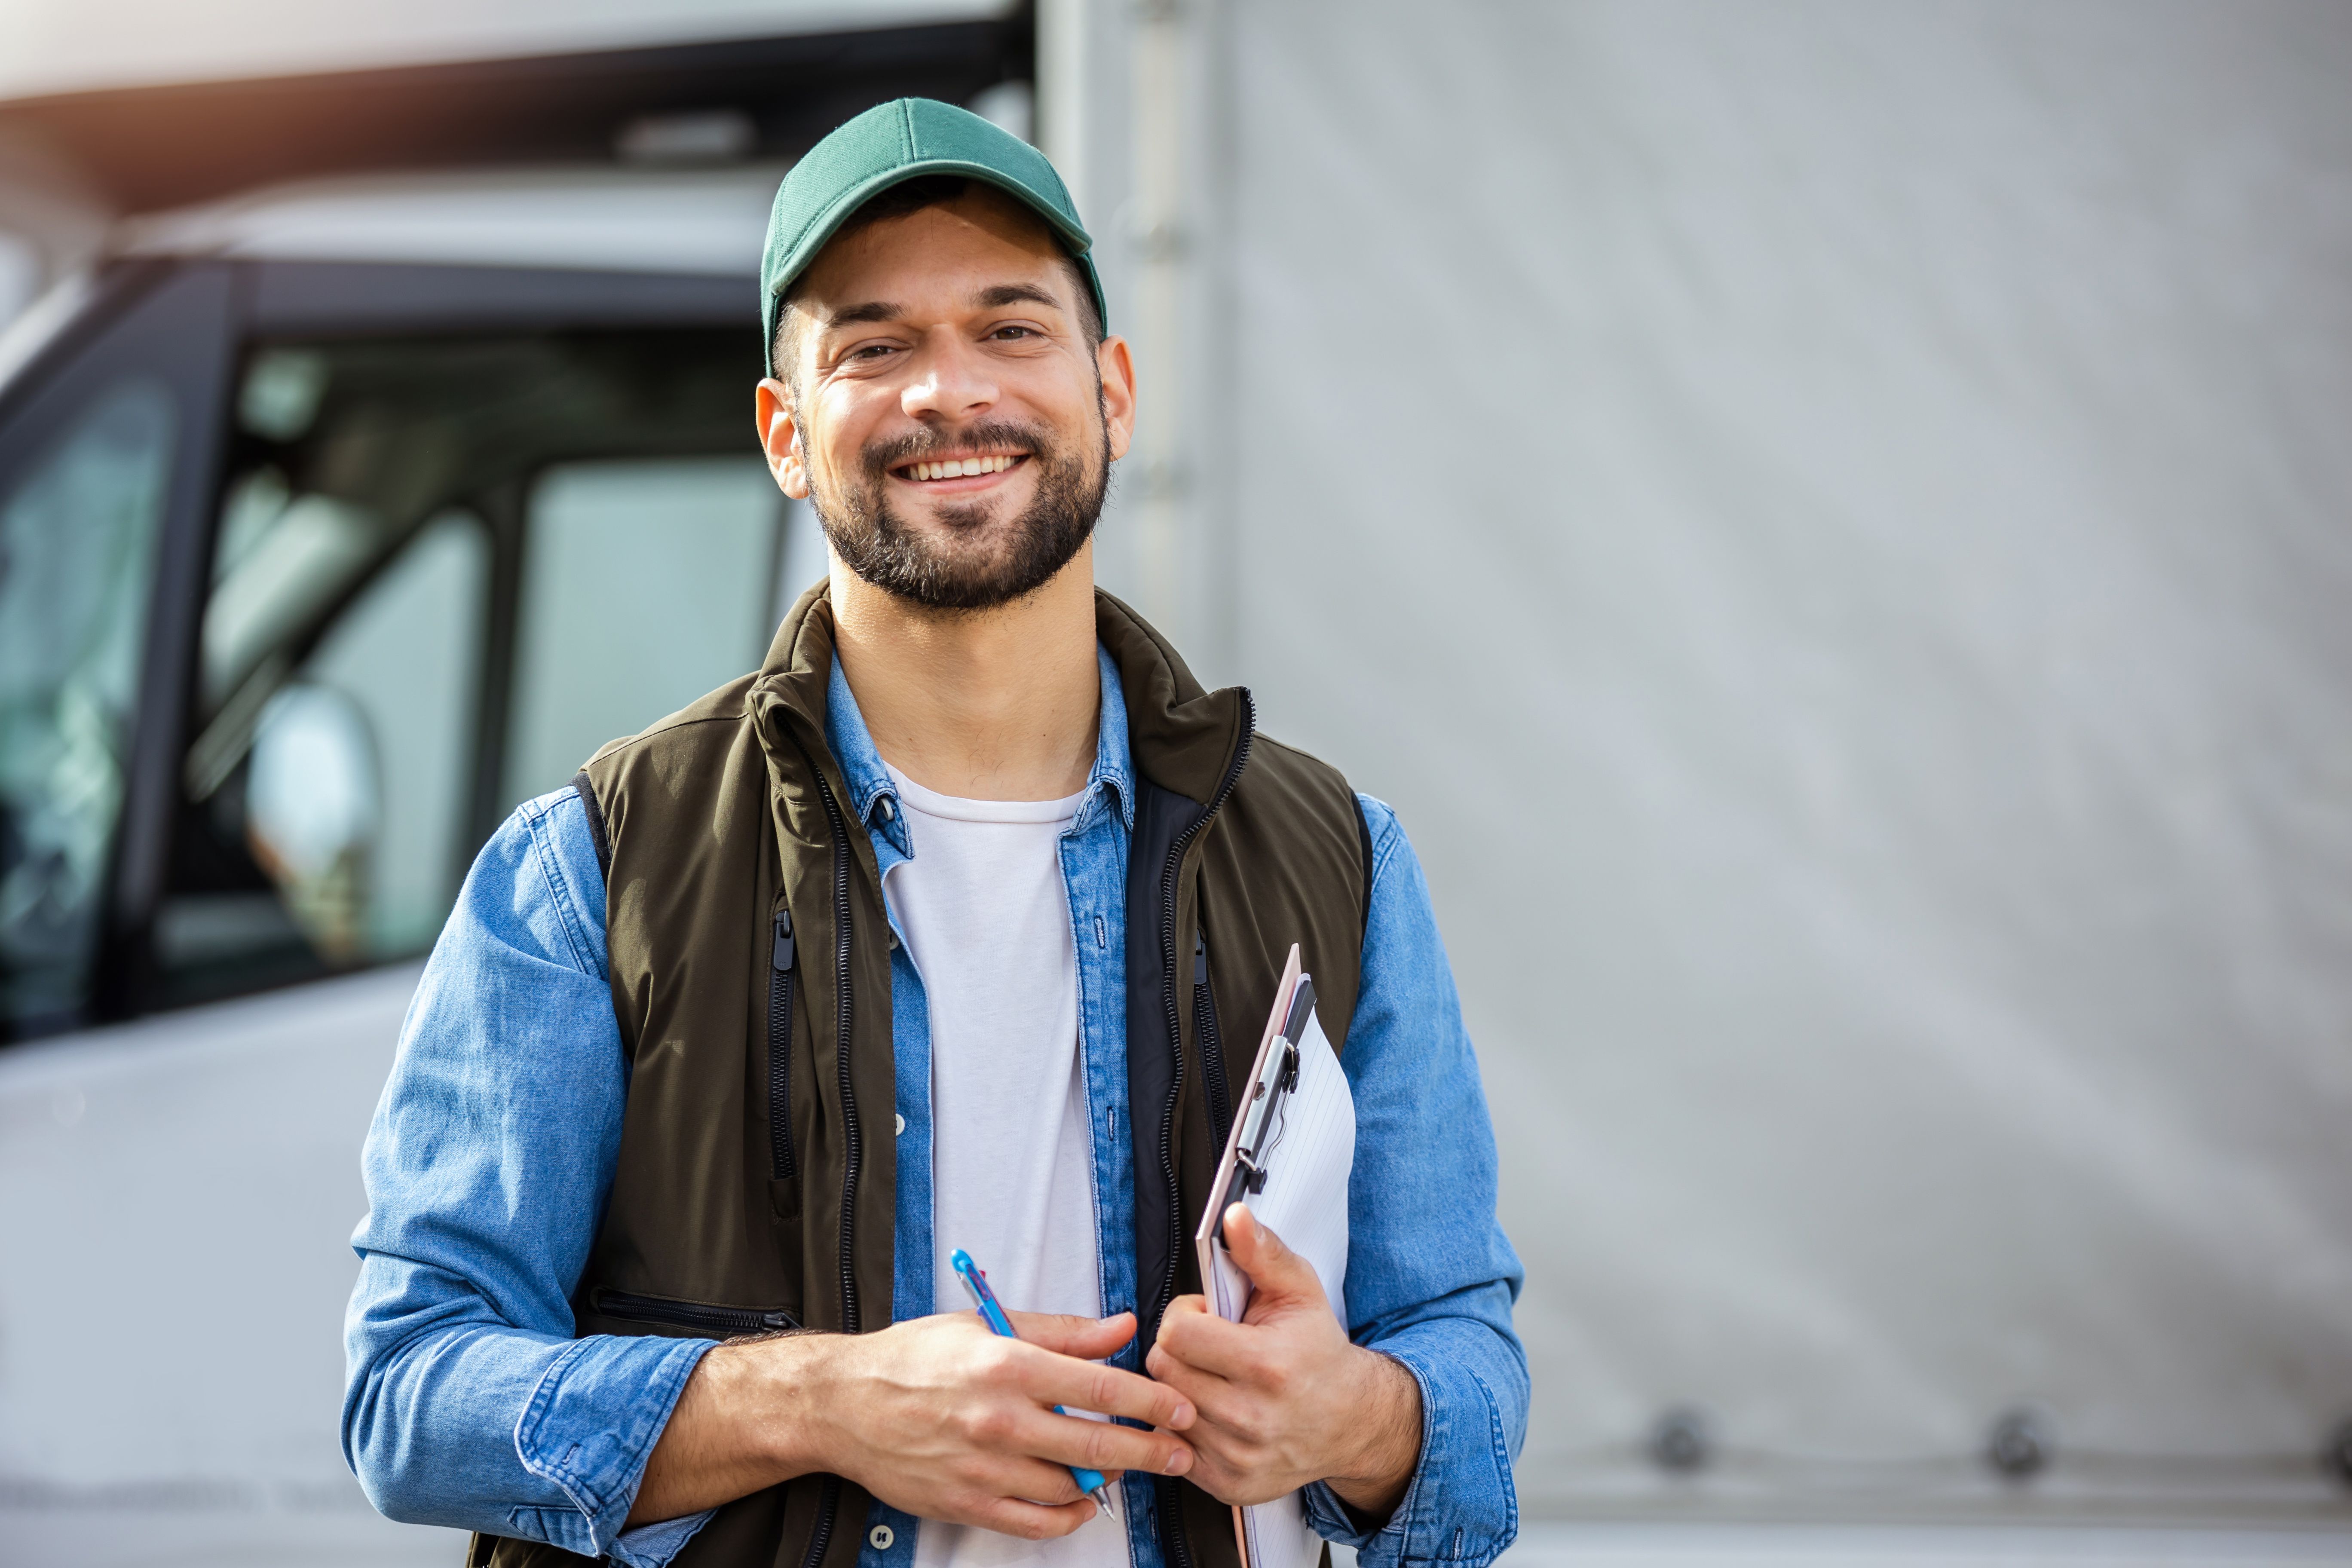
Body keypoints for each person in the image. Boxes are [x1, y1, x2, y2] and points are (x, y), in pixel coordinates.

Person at [343, 98, 1524, 1568]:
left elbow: (1465, 1371)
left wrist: (1354, 1421)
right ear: (786, 434)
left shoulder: (1340, 855)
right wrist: (824, 1402)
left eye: (1011, 329)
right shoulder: (590, 867)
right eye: (874, 347)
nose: (947, 395)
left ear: (1115, 394)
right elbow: (410, 1395)